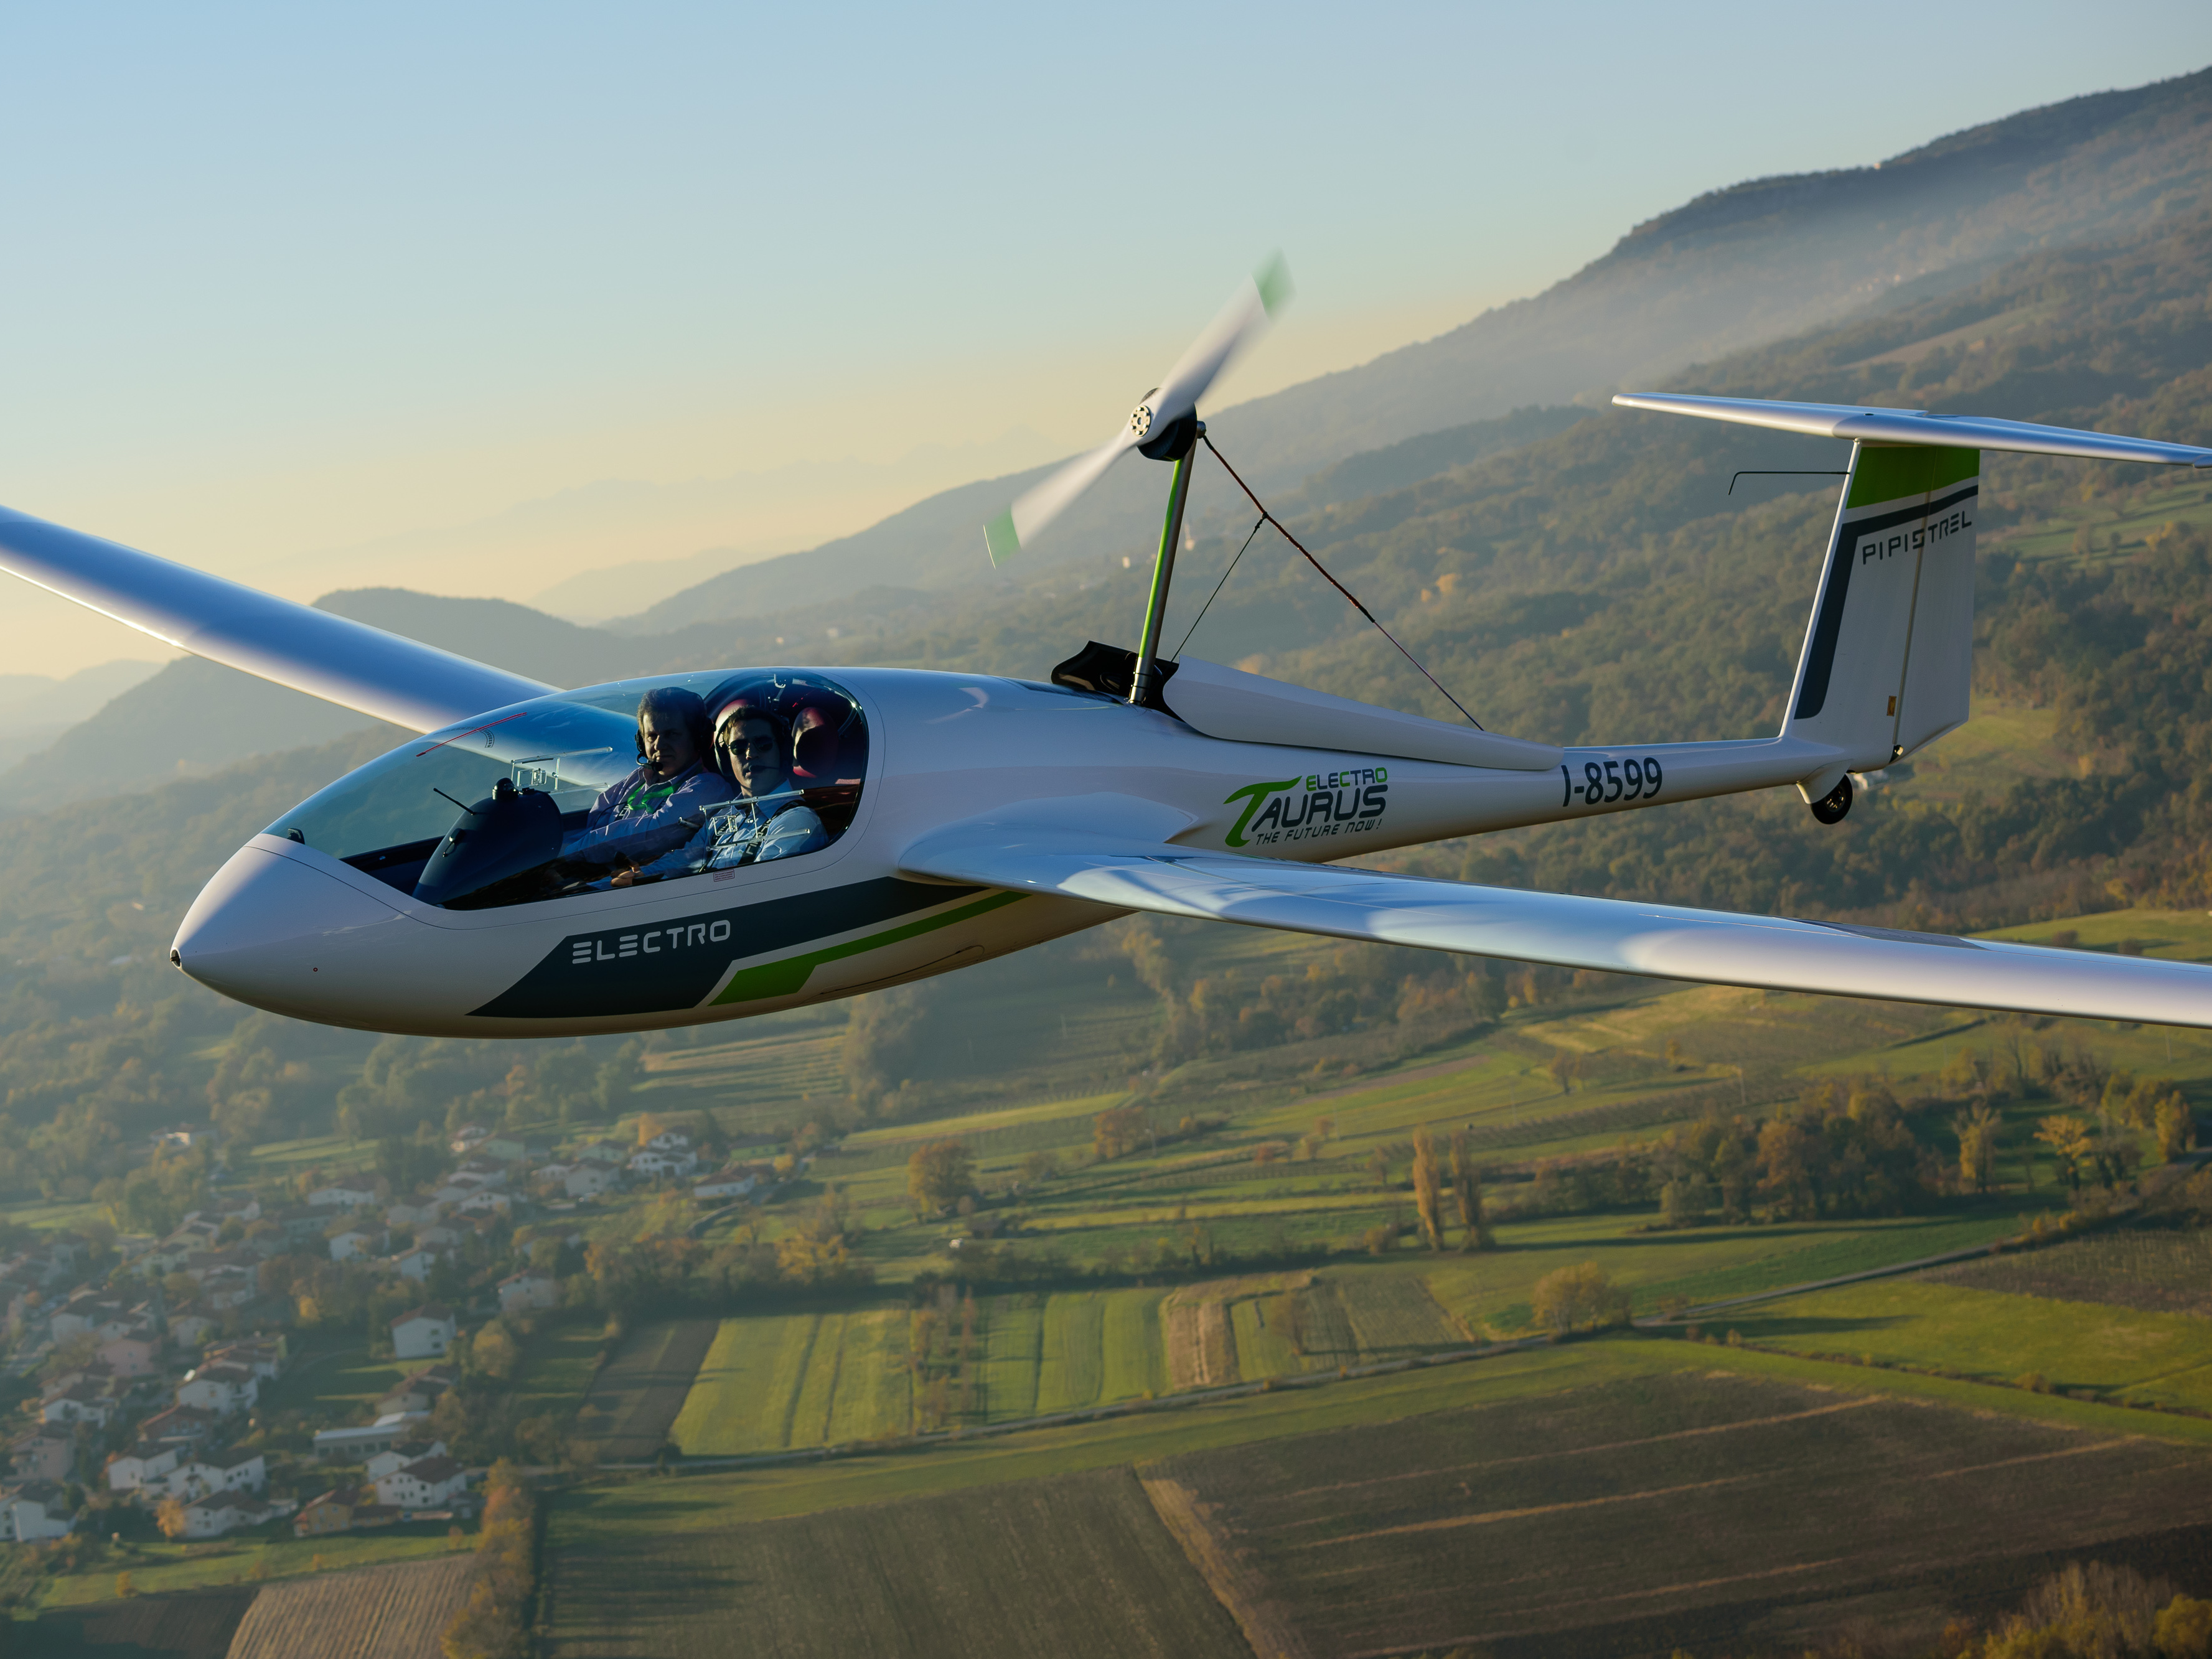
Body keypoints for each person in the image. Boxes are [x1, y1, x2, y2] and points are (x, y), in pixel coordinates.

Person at [612, 705, 827, 886]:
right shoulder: (724, 816)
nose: (751, 754)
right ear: (726, 761)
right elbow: (685, 859)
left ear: (783, 751)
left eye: (763, 744)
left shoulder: (796, 822)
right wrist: (641, 876)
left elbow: (758, 892)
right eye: (738, 747)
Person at [561, 687, 732, 874]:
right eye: (652, 736)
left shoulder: (707, 788)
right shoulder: (634, 781)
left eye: (672, 734)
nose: (659, 745)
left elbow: (655, 834)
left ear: (698, 738)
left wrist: (567, 857)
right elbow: (593, 826)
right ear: (641, 742)